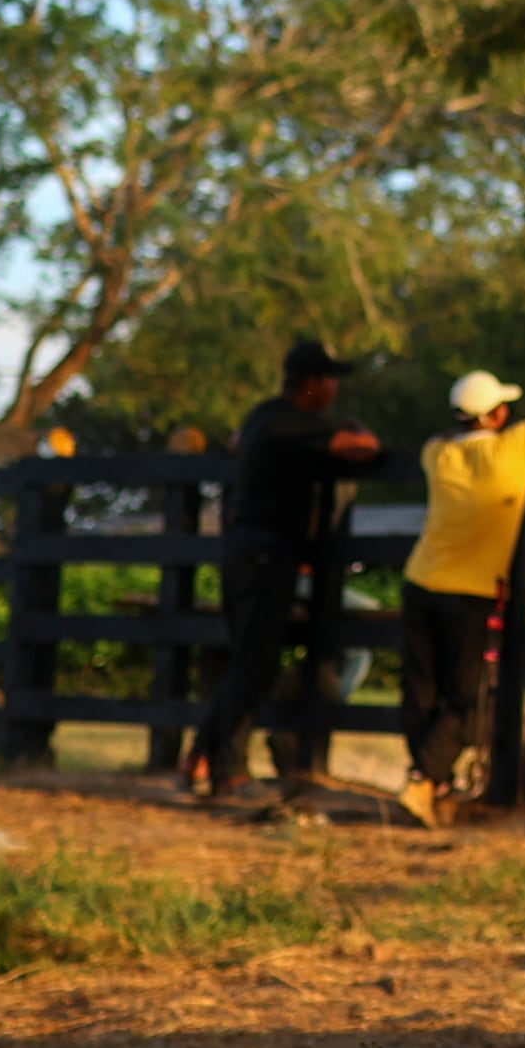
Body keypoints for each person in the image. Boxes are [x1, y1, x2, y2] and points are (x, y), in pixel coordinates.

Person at [192, 335, 382, 810]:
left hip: (245, 550)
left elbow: (237, 443)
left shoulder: (262, 417)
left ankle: (201, 756)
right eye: (331, 380)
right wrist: (356, 431)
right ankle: (229, 774)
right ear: (312, 383)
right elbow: (360, 448)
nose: (335, 390)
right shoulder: (293, 423)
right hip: (265, 553)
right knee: (255, 663)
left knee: (247, 660)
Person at [391, 371, 525, 831]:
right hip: (470, 591)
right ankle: (423, 780)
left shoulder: (437, 452)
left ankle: (436, 788)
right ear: (498, 414)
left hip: (420, 579)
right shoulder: (515, 447)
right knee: (463, 696)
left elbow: (447, 434)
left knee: (421, 692)